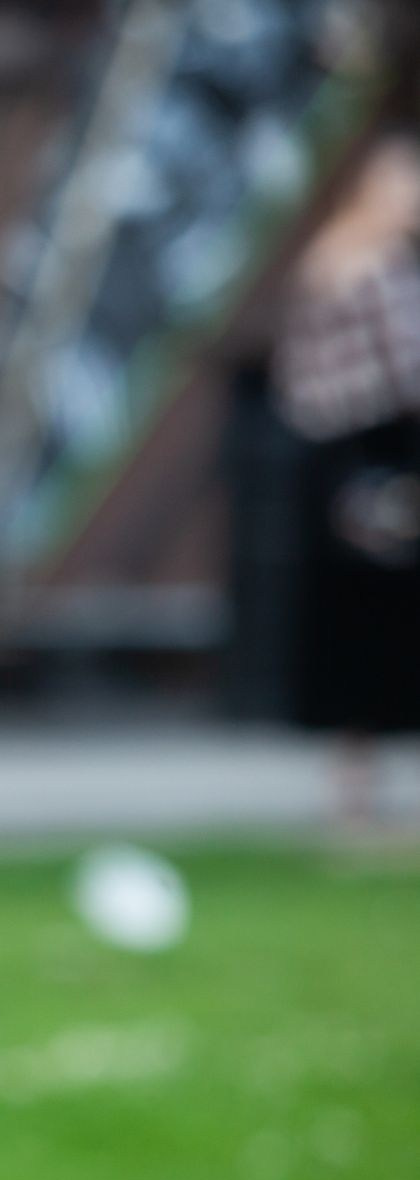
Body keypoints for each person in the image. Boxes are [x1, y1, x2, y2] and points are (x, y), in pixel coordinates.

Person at [266, 127, 420, 830]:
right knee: (373, 623)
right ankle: (359, 800)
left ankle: (358, 794)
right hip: (372, 458)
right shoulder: (367, 266)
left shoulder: (328, 258)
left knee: (359, 623)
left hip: (337, 460)